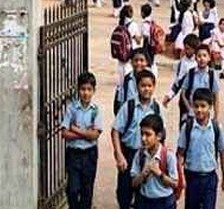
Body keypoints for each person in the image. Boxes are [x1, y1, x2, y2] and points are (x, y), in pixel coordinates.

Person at [111, 69, 161, 209]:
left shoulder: (156, 109)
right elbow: (115, 131)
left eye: (149, 86)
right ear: (137, 86)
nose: (146, 89)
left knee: (143, 193)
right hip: (129, 154)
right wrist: (119, 155)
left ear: (154, 87)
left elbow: (160, 135)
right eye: (143, 85)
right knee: (124, 192)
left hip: (146, 156)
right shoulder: (129, 106)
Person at [177, 89, 224, 209]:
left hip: (209, 177)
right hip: (191, 177)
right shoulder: (187, 127)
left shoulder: (216, 128)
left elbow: (223, 152)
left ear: (210, 107)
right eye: (196, 106)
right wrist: (181, 177)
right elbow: (180, 153)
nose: (199, 110)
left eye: (203, 106)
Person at [60, 72, 103, 209]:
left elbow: (95, 135)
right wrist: (86, 134)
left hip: (89, 154)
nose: (86, 93)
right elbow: (64, 133)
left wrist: (75, 130)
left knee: (87, 189)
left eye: (89, 89)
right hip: (74, 154)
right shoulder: (72, 109)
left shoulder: (95, 111)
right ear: (78, 90)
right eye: (83, 89)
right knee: (72, 189)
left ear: (94, 91)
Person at [130, 113, 178, 209]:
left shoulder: (168, 155)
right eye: (142, 134)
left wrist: (159, 173)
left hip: (164, 202)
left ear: (159, 136)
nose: (143, 138)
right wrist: (143, 175)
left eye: (148, 134)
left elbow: (175, 183)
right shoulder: (140, 155)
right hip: (144, 201)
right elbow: (133, 183)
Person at [165, 44, 219, 122]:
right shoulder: (191, 73)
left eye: (204, 56)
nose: (202, 58)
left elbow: (216, 96)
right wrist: (189, 109)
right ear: (195, 58)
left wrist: (216, 116)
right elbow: (183, 93)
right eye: (199, 56)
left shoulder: (212, 75)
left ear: (209, 58)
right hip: (192, 113)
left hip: (206, 113)